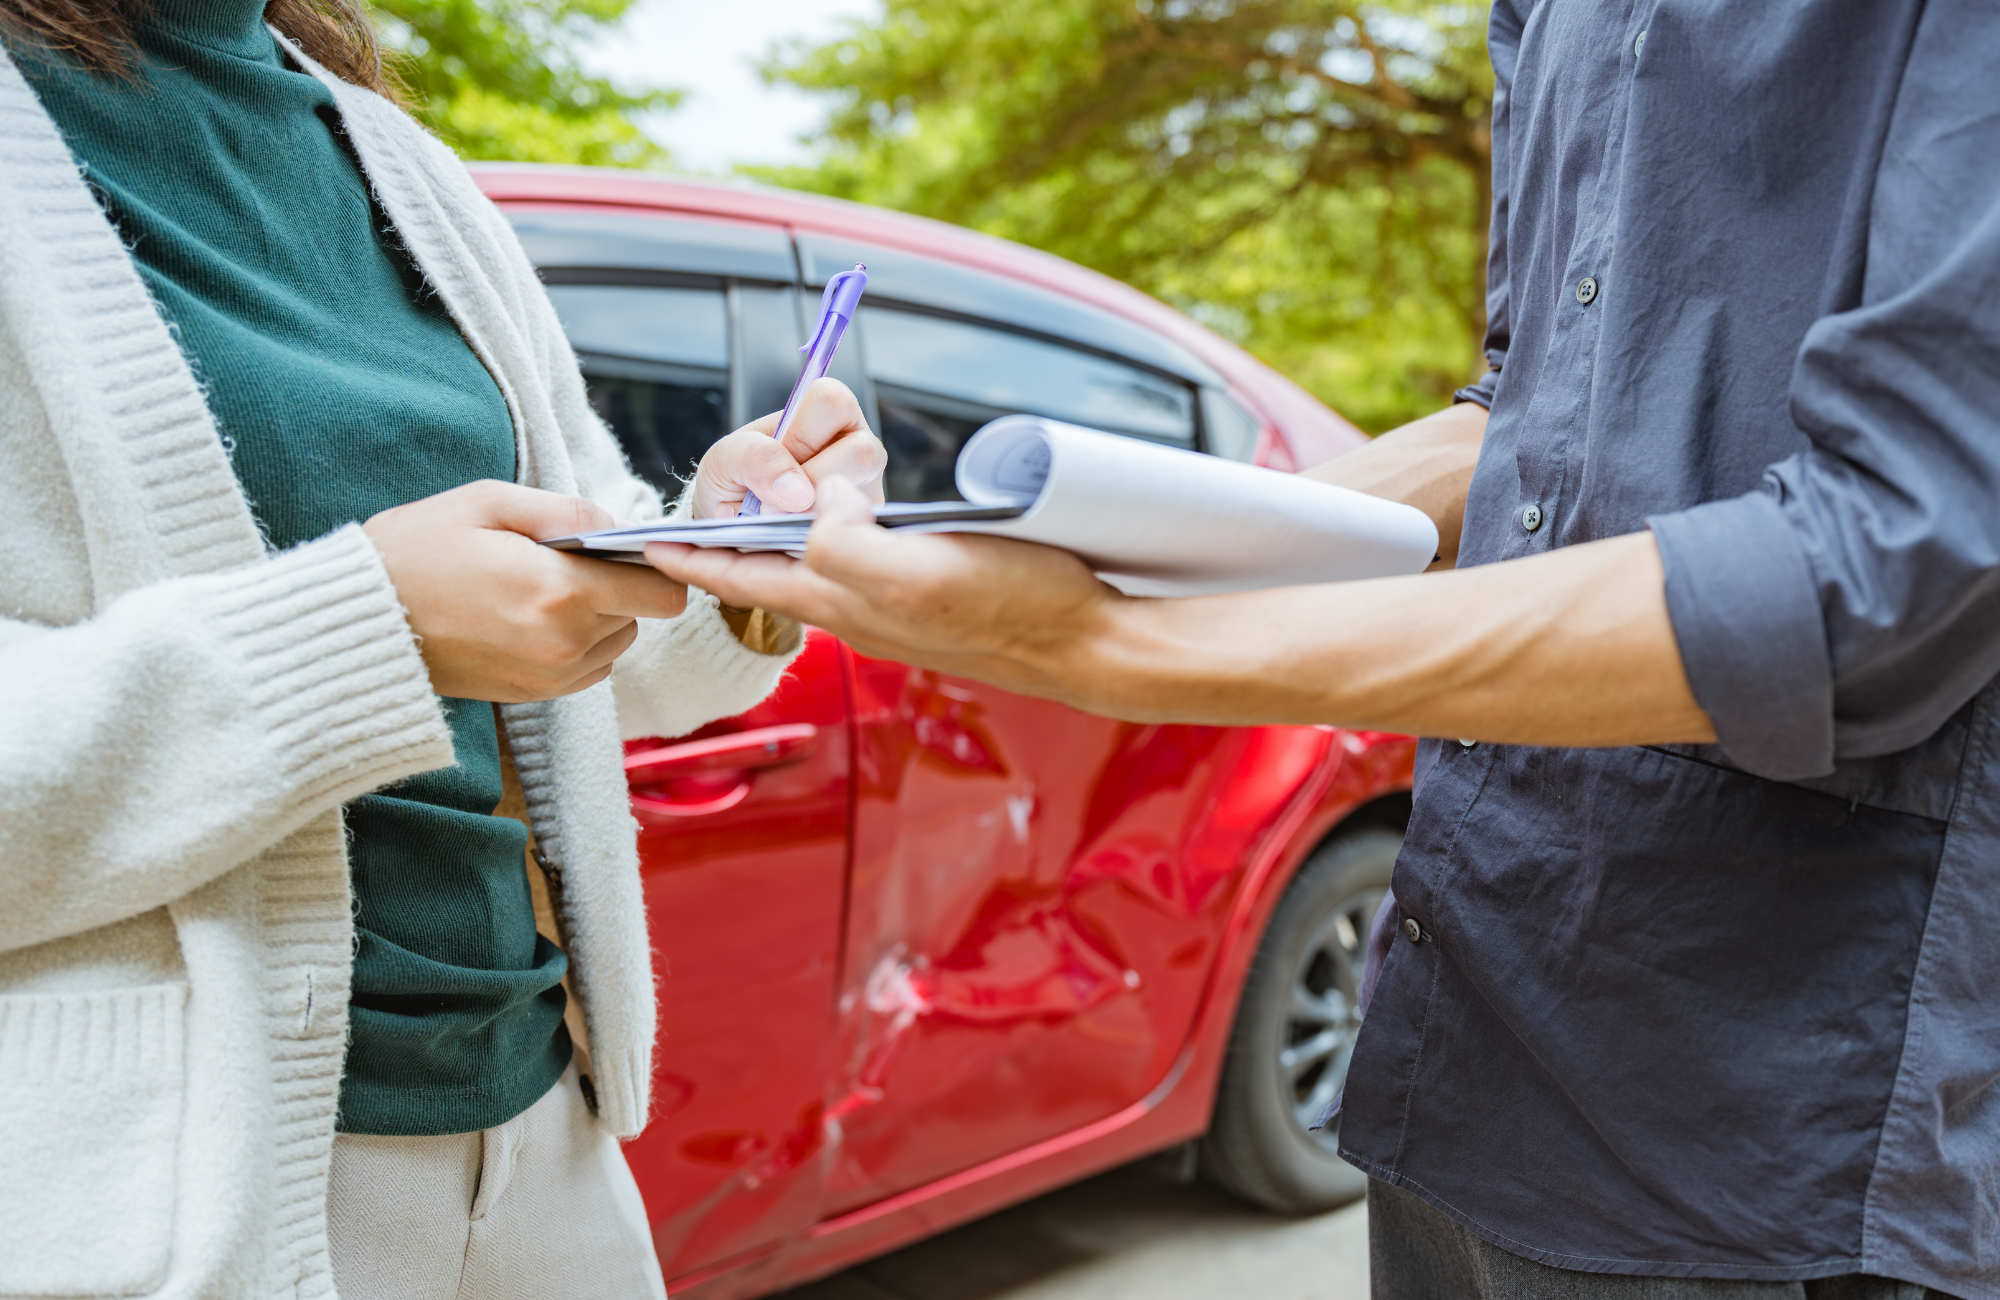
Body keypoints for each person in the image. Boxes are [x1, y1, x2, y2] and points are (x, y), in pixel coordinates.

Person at [645, 2, 2000, 1298]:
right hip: (1464, 1020)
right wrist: (1124, 542)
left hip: (1760, 1110)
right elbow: (1516, 410)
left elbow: (1891, 556)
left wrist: (1118, 643)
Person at [0, 0, 883, 1295]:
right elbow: (413, 625)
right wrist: (373, 632)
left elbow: (588, 646)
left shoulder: (395, 155)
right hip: (157, 1193)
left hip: (541, 1122)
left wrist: (727, 551)